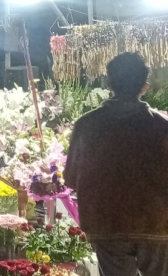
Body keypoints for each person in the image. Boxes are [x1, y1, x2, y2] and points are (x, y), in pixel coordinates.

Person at [64, 52, 168, 276]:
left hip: (107, 223)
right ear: (145, 86)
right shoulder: (162, 127)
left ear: (108, 83)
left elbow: (71, 177)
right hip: (156, 224)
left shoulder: (87, 125)